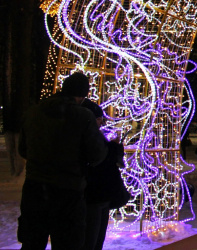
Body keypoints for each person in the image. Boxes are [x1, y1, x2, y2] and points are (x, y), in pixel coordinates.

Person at [18, 72, 108, 250]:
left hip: (34, 190)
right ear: (82, 96)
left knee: (32, 244)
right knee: (67, 244)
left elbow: (23, 150)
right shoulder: (83, 116)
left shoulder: (34, 112)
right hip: (68, 193)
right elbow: (97, 155)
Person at [80, 101, 125, 250]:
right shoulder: (86, 135)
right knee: (90, 239)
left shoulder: (97, 134)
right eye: (98, 118)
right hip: (94, 195)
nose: (101, 122)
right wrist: (114, 148)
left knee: (97, 237)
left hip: (102, 195)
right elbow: (99, 160)